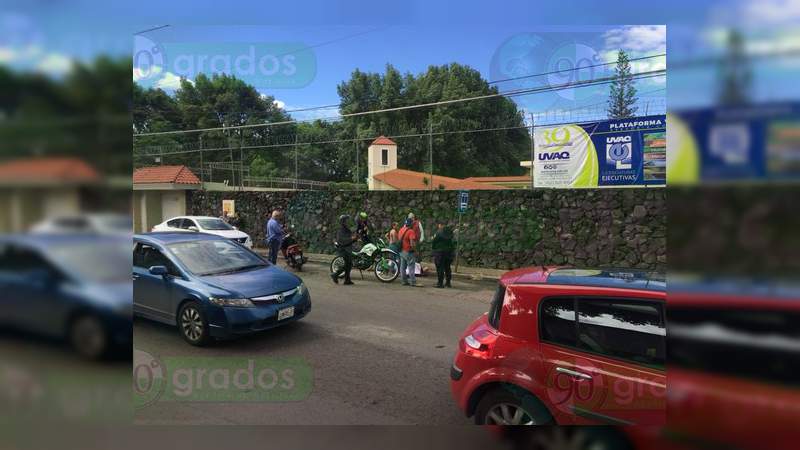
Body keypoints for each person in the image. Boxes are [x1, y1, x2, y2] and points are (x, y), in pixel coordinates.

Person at [332, 214, 356, 285]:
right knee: (347, 264)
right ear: (343, 221)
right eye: (346, 220)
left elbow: (349, 240)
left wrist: (355, 239)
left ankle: (347, 280)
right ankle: (335, 275)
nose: (348, 222)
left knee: (349, 264)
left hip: (347, 249)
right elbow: (341, 240)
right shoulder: (341, 229)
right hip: (343, 249)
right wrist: (351, 238)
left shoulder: (346, 229)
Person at [431, 222, 456, 288]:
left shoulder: (439, 232)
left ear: (441, 225)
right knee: (447, 267)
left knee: (440, 268)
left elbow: (434, 241)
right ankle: (448, 282)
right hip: (449, 252)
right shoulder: (450, 232)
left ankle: (440, 283)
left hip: (439, 252)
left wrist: (433, 248)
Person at [398, 217, 420, 287]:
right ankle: (413, 282)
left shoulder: (401, 230)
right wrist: (416, 251)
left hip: (401, 251)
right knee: (411, 267)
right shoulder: (411, 231)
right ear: (411, 224)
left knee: (402, 267)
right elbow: (412, 243)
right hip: (409, 251)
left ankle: (404, 281)